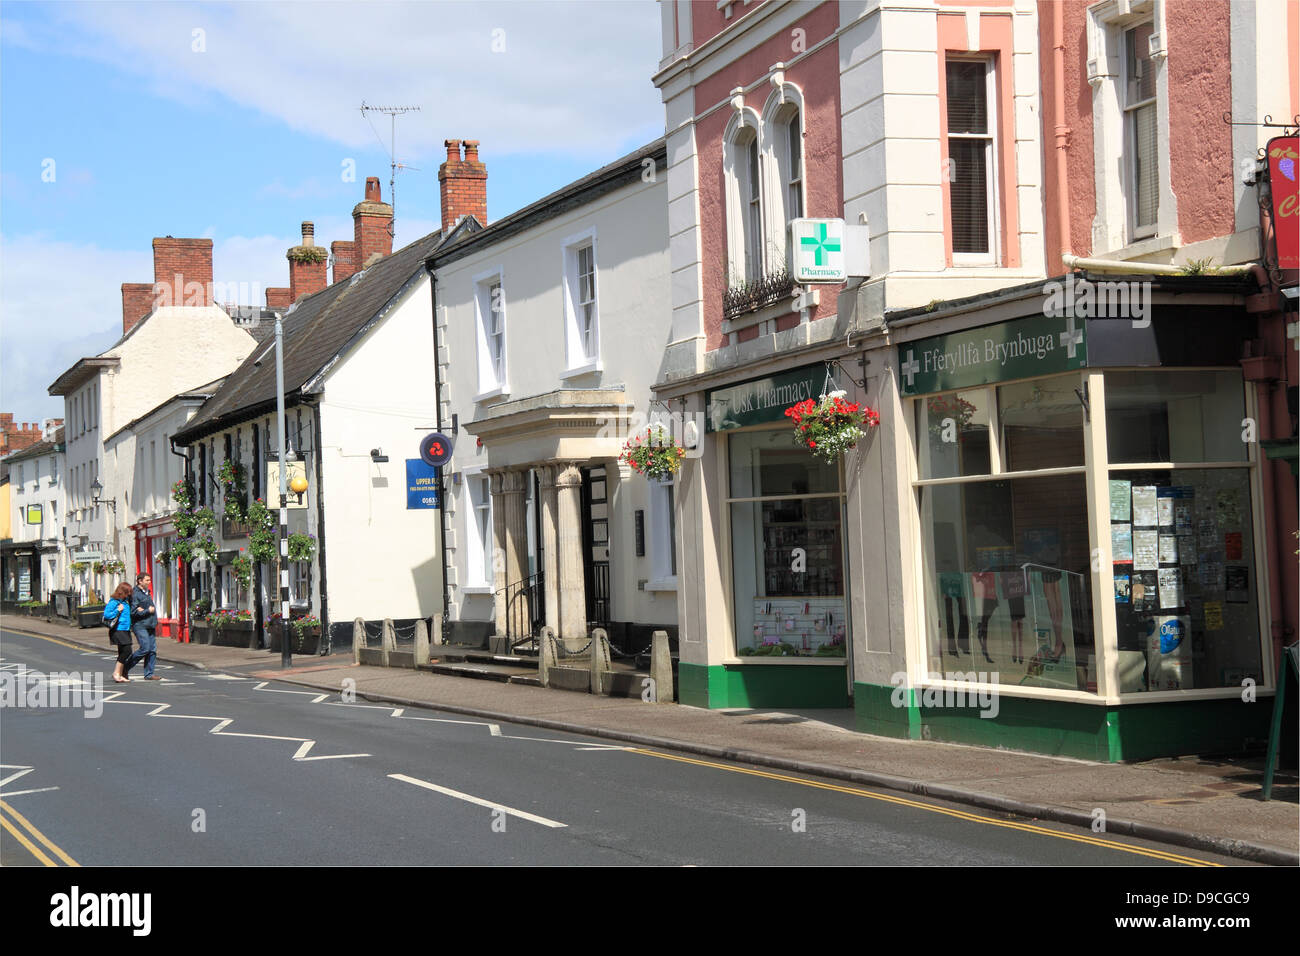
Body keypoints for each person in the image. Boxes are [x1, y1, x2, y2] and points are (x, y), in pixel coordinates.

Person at [123, 572, 160, 681]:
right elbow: (133, 612)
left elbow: (141, 608)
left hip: (150, 624)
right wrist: (147, 610)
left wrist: (144, 610)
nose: (149, 582)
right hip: (140, 625)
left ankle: (149, 674)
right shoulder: (135, 594)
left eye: (149, 580)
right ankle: (125, 667)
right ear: (140, 581)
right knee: (145, 648)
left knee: (152, 650)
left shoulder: (147, 592)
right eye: (147, 580)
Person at [103, 583, 135, 683]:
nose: (128, 595)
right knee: (127, 651)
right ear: (121, 592)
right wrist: (118, 610)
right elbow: (106, 615)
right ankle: (116, 673)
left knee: (123, 652)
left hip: (125, 629)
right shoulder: (114, 602)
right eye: (127, 593)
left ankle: (119, 674)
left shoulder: (125, 602)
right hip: (118, 629)